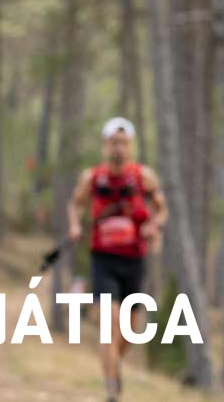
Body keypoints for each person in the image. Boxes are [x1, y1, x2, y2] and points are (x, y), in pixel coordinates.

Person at [66, 116, 167, 402]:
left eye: (123, 143)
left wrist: (153, 226)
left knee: (130, 331)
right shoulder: (93, 178)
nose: (118, 148)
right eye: (113, 143)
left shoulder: (143, 176)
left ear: (130, 145)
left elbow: (161, 209)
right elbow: (75, 204)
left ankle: (113, 364)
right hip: (103, 258)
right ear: (105, 145)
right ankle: (111, 389)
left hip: (134, 259)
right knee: (109, 322)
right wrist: (75, 225)